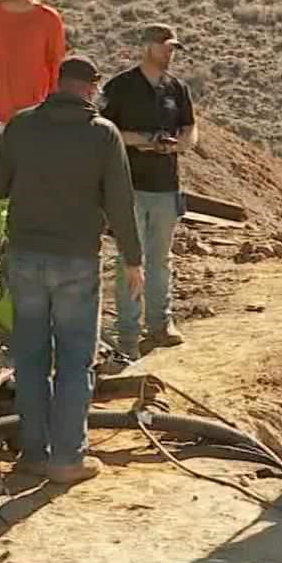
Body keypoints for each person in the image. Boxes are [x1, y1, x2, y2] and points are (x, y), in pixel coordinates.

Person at [0, 55, 143, 485]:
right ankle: (68, 458)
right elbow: (120, 203)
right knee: (75, 360)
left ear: (57, 83)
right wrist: (133, 259)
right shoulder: (102, 135)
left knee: (31, 358)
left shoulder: (20, 125)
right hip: (76, 260)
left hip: (26, 257)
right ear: (91, 89)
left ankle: (33, 454)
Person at [99, 22, 198, 357]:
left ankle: (159, 323)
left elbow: (190, 130)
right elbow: (106, 131)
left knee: (161, 259)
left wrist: (175, 146)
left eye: (172, 48)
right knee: (131, 258)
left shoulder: (177, 88)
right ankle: (127, 332)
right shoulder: (121, 87)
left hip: (166, 185)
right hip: (129, 185)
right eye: (164, 47)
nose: (169, 53)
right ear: (147, 47)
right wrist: (144, 141)